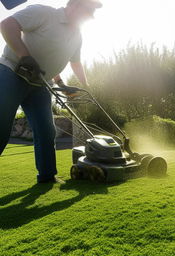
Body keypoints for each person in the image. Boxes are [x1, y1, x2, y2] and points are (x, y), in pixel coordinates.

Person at [0, 0, 102, 183]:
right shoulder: (44, 13)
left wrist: (82, 86)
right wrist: (24, 56)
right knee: (1, 125)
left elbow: (73, 62)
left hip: (40, 84)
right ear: (74, 5)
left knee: (47, 131)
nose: (90, 15)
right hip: (11, 72)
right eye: (88, 10)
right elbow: (7, 25)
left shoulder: (77, 35)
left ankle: (47, 177)